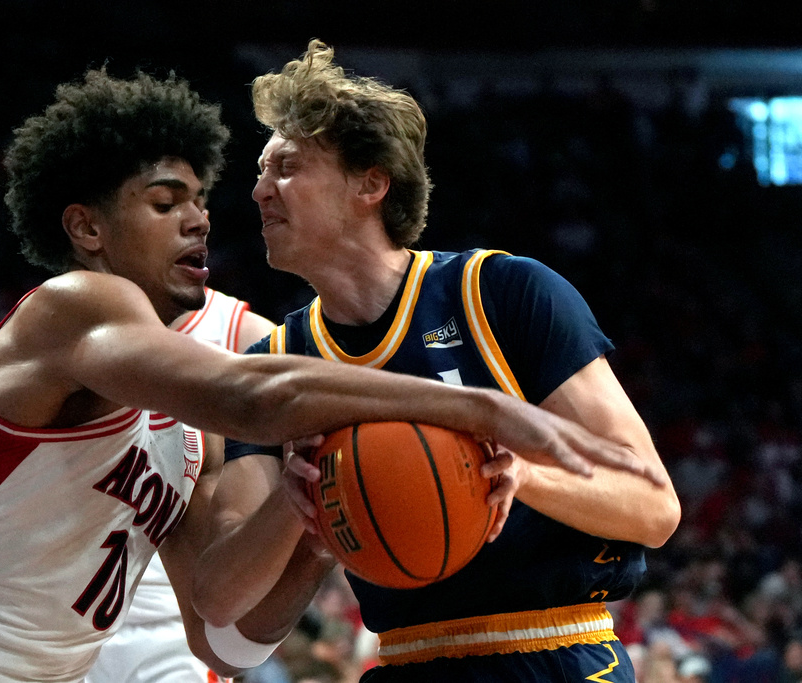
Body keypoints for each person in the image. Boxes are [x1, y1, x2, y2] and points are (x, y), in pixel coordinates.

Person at [0, 67, 658, 683]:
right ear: (88, 229)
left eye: (202, 199)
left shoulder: (181, 428)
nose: (206, 219)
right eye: (167, 204)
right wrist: (474, 411)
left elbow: (229, 640)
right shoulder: (74, 306)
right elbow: (256, 395)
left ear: (372, 184)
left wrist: (315, 524)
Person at [192, 40, 682, 682]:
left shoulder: (504, 294)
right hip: (408, 661)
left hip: (557, 652)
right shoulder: (276, 361)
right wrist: (293, 506)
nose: (258, 191)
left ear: (370, 183)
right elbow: (219, 599)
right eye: (260, 172)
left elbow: (655, 508)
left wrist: (521, 478)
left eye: (286, 167)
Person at [85, 286, 274, 683]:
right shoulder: (73, 327)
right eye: (164, 216)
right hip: (69, 627)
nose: (196, 221)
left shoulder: (244, 335)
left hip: (175, 626)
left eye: (202, 216)